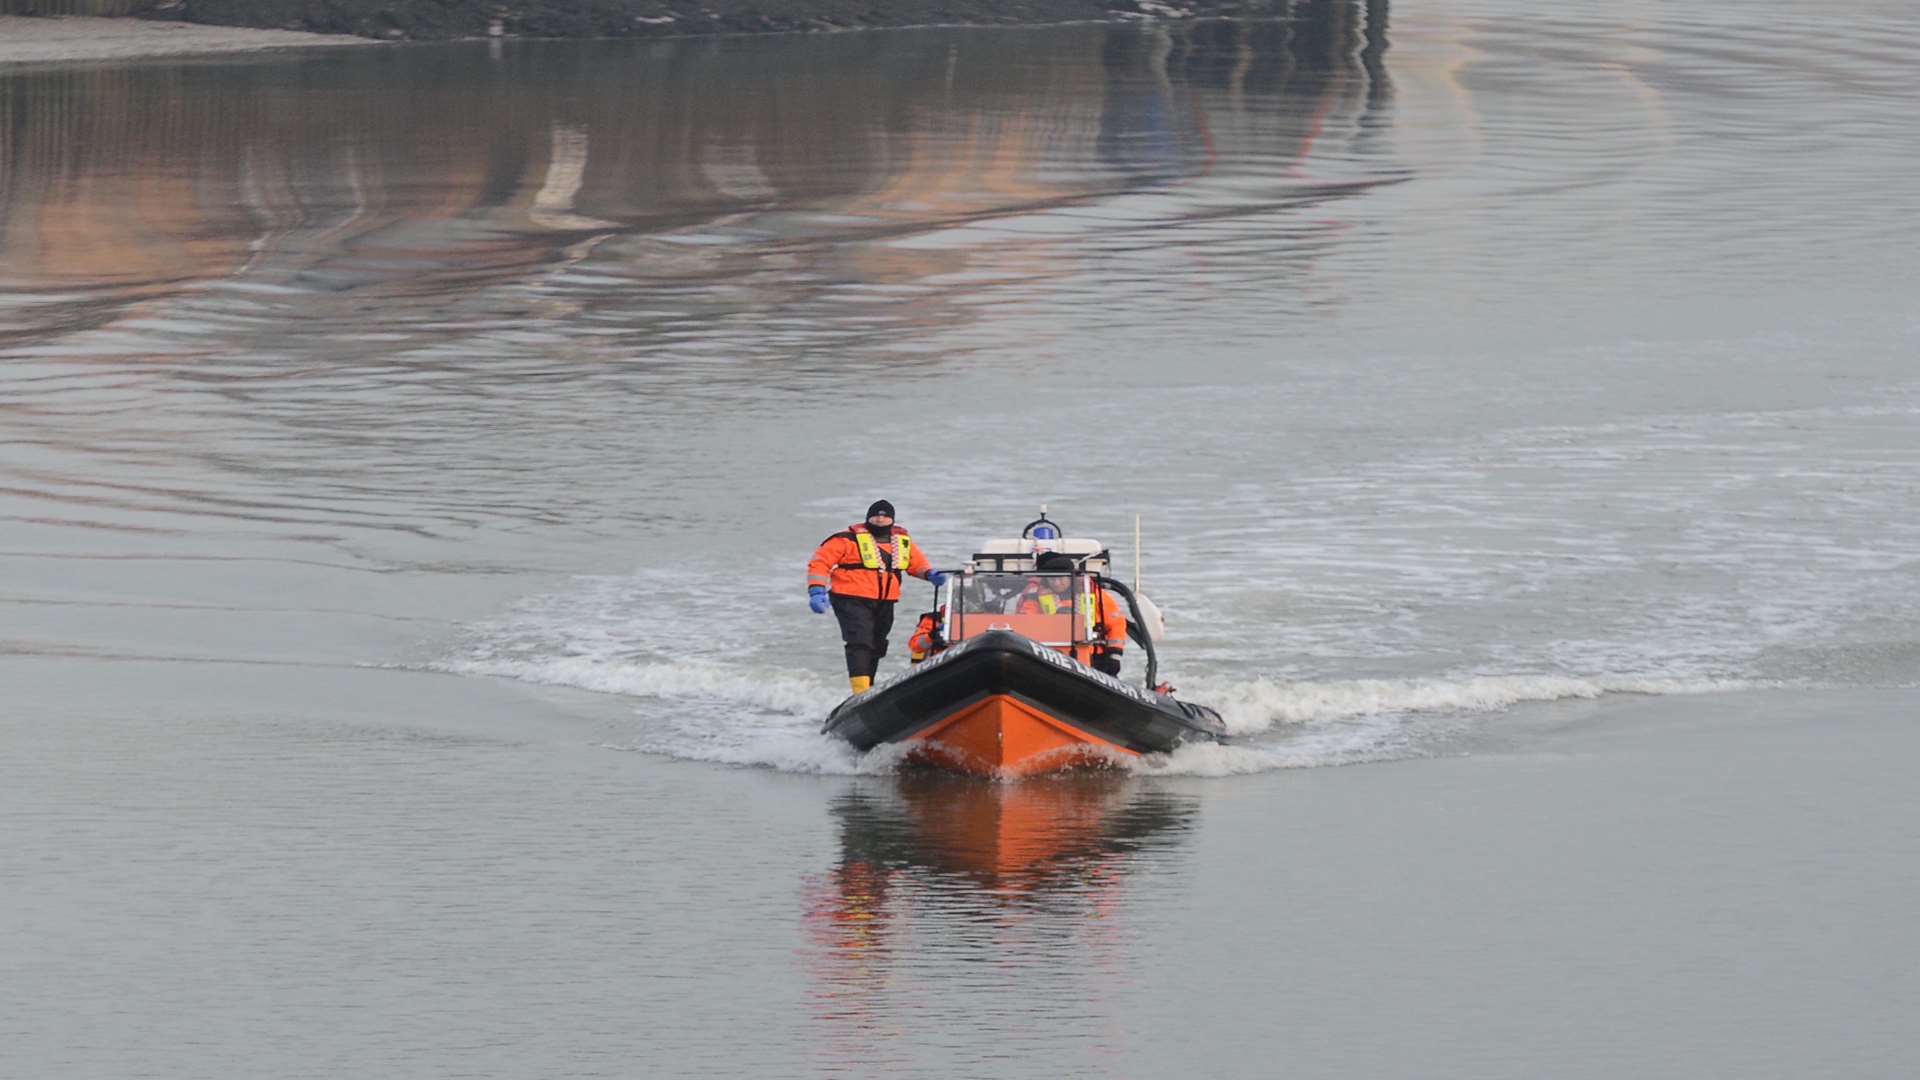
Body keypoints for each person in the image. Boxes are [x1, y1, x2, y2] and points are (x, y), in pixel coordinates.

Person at [806, 500, 946, 693]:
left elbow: (916, 564)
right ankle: (860, 692)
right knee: (860, 642)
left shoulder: (901, 541)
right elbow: (820, 563)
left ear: (892, 519)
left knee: (877, 643)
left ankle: (868, 686)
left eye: (885, 515)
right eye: (876, 515)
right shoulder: (846, 540)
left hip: (885, 600)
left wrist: (930, 574)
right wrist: (816, 591)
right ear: (868, 518)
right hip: (850, 598)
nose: (880, 519)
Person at [1015, 552, 1128, 676]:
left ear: (1071, 577)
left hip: (1091, 657)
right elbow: (1026, 625)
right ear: (1045, 579)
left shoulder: (1093, 594)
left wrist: (1114, 656)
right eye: (1052, 579)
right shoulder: (1034, 597)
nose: (1057, 583)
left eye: (1061, 578)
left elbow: (1116, 624)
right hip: (1047, 656)